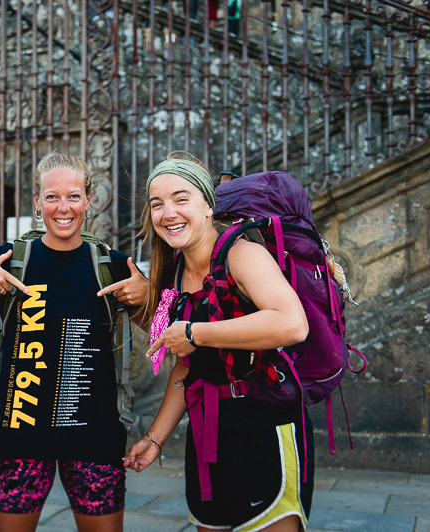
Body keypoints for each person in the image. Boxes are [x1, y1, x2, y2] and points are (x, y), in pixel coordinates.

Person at [0, 151, 147, 532]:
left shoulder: (111, 265)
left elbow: (164, 329)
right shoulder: (11, 259)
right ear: (37, 202)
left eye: (74, 196)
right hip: (18, 437)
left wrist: (149, 292)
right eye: (52, 196)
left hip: (95, 438)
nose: (63, 207)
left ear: (88, 201)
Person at [123, 153, 313, 532]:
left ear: (208, 206)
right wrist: (155, 438)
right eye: (157, 204)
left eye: (181, 199)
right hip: (207, 435)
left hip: (265, 427)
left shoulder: (242, 253)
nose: (168, 212)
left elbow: (293, 325)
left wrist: (195, 332)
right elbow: (188, 367)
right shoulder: (176, 272)